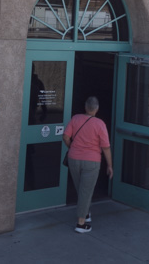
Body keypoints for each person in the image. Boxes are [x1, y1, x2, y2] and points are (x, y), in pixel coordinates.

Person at [62, 96, 112, 233]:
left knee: (81, 189)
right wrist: (110, 165)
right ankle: (81, 224)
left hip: (74, 159)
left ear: (85, 107)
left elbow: (65, 136)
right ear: (97, 109)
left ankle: (86, 213)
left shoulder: (75, 118)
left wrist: (71, 147)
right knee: (85, 191)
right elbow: (106, 147)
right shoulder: (100, 124)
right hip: (92, 161)